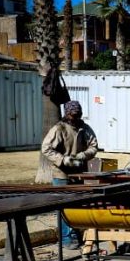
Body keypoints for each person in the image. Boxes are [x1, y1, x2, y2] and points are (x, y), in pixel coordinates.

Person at [41, 100, 98, 249]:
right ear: (67, 114)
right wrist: (63, 160)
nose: (75, 118)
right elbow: (46, 149)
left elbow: (93, 147)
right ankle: (66, 238)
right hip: (62, 175)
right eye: (73, 115)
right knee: (63, 207)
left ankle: (76, 234)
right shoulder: (59, 128)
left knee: (77, 207)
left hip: (79, 173)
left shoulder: (84, 128)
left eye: (78, 115)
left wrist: (82, 156)